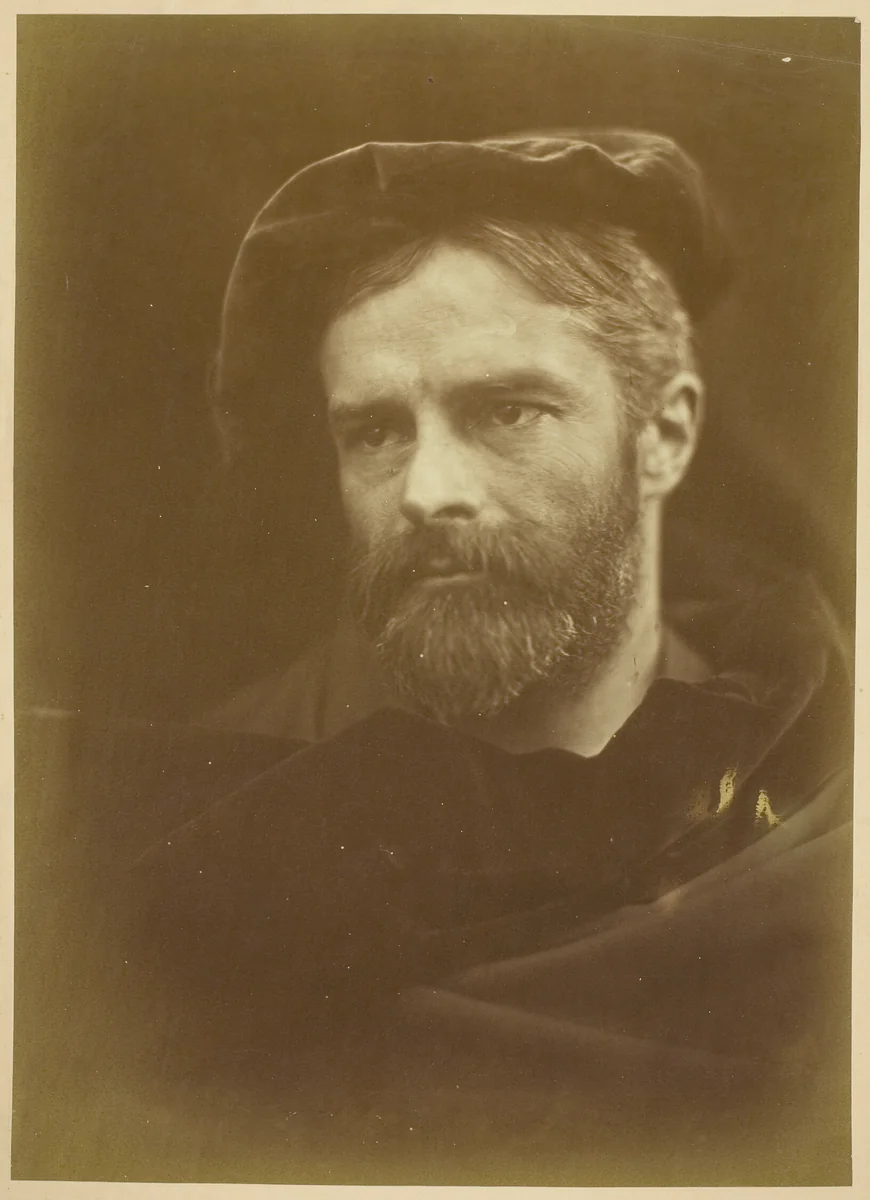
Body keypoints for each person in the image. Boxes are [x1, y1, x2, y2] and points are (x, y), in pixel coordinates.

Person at [16, 131, 854, 1186]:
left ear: (665, 436)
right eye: (374, 432)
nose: (424, 492)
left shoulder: (818, 811)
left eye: (504, 411)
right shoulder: (219, 800)